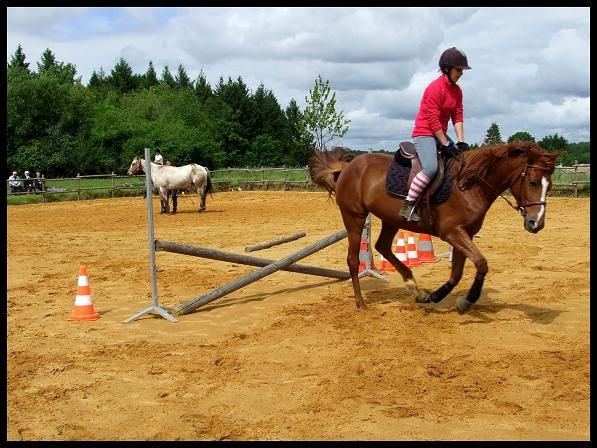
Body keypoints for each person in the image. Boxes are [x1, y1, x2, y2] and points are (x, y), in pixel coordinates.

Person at [399, 47, 472, 222]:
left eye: (462, 70)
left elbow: (458, 116)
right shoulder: (435, 88)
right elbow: (432, 120)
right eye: (458, 69)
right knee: (431, 167)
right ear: (447, 69)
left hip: (440, 133)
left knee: (460, 162)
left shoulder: (457, 91)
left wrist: (461, 142)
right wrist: (445, 143)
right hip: (424, 132)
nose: (461, 73)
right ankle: (408, 205)